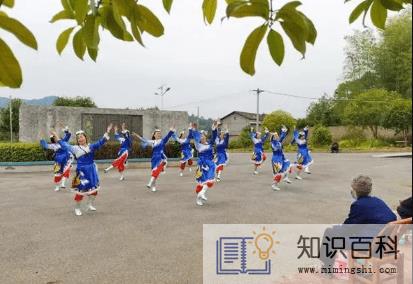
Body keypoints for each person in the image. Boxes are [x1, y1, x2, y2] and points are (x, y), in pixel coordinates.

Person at [54, 124, 113, 216]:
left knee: (94, 190)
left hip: (91, 171)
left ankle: (89, 204)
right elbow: (64, 145)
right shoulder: (75, 148)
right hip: (82, 172)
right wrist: (56, 136)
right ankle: (77, 208)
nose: (80, 139)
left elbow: (100, 142)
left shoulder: (91, 146)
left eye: (82, 137)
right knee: (80, 191)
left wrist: (108, 131)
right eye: (78, 138)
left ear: (85, 138)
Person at [133, 127, 175, 192]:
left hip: (161, 158)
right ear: (154, 135)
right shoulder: (152, 142)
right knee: (154, 172)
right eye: (157, 133)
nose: (158, 134)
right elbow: (144, 140)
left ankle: (150, 182)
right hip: (154, 159)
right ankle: (154, 185)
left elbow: (168, 136)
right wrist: (137, 136)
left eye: (159, 133)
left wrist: (171, 130)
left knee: (157, 170)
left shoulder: (163, 141)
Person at [192, 121, 218, 206]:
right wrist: (194, 129)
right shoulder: (198, 145)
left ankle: (202, 193)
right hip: (202, 164)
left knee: (210, 180)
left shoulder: (210, 143)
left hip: (210, 164)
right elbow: (195, 137)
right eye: (200, 136)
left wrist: (214, 128)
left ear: (205, 136)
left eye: (203, 135)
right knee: (202, 182)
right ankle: (199, 198)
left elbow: (214, 137)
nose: (201, 137)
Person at [40, 127, 73, 192]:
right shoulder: (53, 145)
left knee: (66, 171)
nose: (55, 138)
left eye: (55, 136)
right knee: (57, 174)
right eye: (53, 137)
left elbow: (68, 135)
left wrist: (65, 130)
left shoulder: (63, 141)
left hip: (66, 159)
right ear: (52, 139)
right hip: (58, 161)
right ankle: (57, 186)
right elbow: (45, 145)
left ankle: (63, 184)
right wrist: (41, 139)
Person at [270, 126, 292, 191]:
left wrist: (284, 130)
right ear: (273, 138)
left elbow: (282, 136)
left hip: (281, 157)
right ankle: (274, 185)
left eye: (277, 135)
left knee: (288, 165)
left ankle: (286, 177)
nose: (277, 136)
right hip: (276, 159)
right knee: (279, 173)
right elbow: (276, 148)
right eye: (276, 136)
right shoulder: (273, 143)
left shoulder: (278, 141)